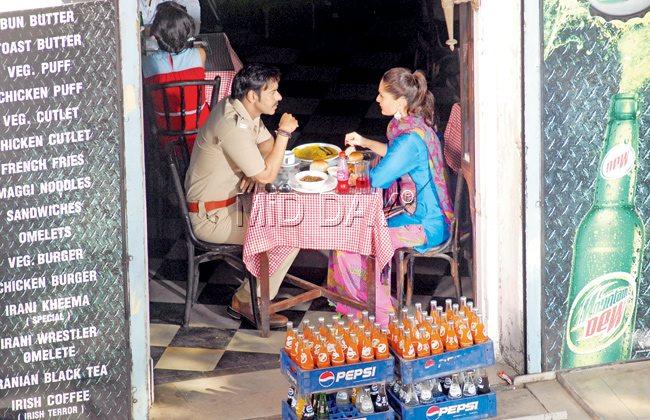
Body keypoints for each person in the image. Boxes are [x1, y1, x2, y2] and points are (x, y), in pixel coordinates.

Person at [328, 67, 454, 326]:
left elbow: (378, 179)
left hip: (424, 225)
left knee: (354, 241)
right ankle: (369, 304)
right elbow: (394, 154)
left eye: (381, 95)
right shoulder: (411, 124)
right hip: (417, 213)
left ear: (400, 102)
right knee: (354, 234)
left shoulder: (408, 140)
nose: (377, 99)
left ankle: (378, 314)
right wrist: (365, 142)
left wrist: (344, 171)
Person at [184, 64, 299, 327]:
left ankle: (253, 294)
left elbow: (265, 145)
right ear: (252, 95)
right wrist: (284, 134)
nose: (279, 97)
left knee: (287, 219)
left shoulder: (240, 110)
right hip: (211, 217)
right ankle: (246, 301)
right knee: (287, 233)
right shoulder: (232, 124)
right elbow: (268, 174)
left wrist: (255, 167)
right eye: (272, 91)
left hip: (229, 206)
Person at [142, 1, 208, 153]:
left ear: (157, 35)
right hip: (201, 131)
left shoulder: (146, 64)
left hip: (165, 133)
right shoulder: (200, 54)